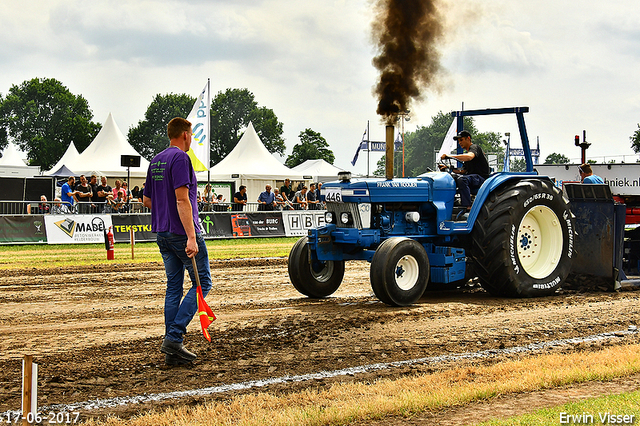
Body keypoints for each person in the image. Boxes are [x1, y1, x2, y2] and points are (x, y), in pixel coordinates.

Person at [143, 117, 212, 366]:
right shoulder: (181, 158)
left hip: (162, 232)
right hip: (182, 233)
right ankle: (174, 338)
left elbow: (147, 200)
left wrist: (165, 210)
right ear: (185, 135)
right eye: (191, 134)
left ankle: (172, 351)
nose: (192, 139)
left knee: (174, 287)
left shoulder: (156, 161)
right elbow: (182, 200)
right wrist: (192, 237)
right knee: (202, 283)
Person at [439, 130, 490, 209]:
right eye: (459, 141)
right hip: (472, 178)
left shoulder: (474, 148)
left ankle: (467, 206)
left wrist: (450, 156)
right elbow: (463, 171)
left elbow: (469, 157)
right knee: (452, 178)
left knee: (462, 180)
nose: (460, 142)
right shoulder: (467, 155)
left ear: (468, 139)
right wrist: (448, 168)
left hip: (481, 178)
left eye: (461, 140)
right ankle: (451, 203)